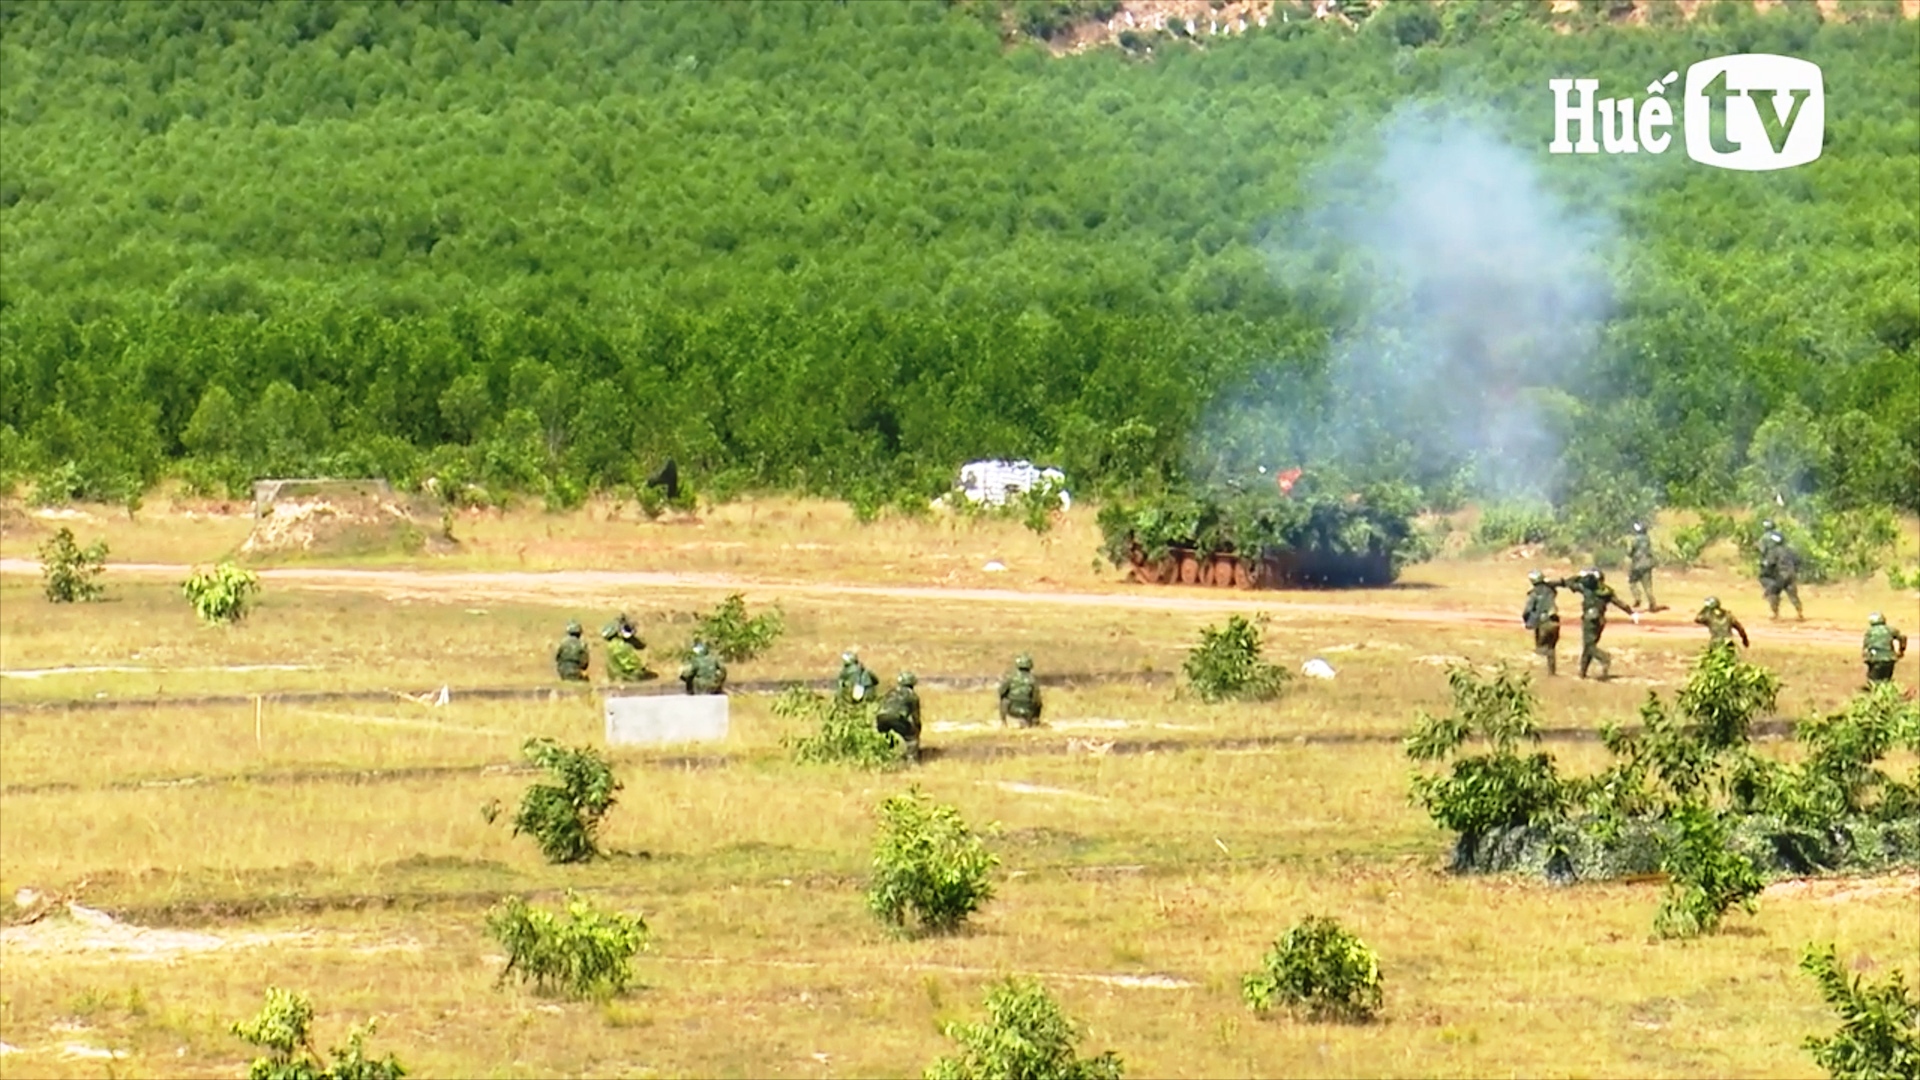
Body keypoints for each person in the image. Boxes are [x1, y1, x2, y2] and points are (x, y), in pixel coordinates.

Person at [1557, 568, 1635, 680]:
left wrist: (1579, 576)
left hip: (1589, 620)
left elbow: (1569, 583)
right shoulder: (1607, 591)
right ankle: (1582, 673)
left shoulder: (1586, 589)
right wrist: (1631, 612)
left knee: (1589, 646)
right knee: (1589, 646)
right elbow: (1619, 603)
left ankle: (1604, 658)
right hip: (1600, 621)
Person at [1521, 570, 1563, 676]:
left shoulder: (1534, 593)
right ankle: (1551, 672)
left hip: (1543, 623)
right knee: (1551, 647)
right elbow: (1559, 584)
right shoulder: (1551, 591)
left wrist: (1527, 621)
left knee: (1540, 649)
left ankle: (1542, 672)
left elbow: (1527, 610)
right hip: (1555, 622)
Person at [875, 671, 923, 762]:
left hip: (881, 717)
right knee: (911, 738)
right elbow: (915, 716)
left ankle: (885, 757)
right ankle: (912, 761)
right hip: (897, 718)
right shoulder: (912, 696)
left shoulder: (891, 691)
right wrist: (917, 729)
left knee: (885, 736)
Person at [1758, 531, 1803, 620]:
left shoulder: (1774, 551)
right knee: (1793, 594)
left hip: (1780, 576)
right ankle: (1799, 612)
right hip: (1791, 574)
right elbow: (1798, 561)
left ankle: (1775, 613)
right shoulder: (1790, 550)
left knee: (1773, 593)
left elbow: (1770, 564)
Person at [601, 613, 652, 683]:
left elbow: (641, 645)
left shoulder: (613, 645)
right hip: (627, 679)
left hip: (617, 678)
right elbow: (633, 667)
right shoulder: (619, 646)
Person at [998, 653, 1043, 727]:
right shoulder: (1033, 680)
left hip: (1012, 709)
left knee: (1004, 700)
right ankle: (1034, 721)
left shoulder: (1011, 678)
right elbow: (1036, 699)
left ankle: (1004, 722)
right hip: (1028, 711)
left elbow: (1001, 692)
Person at [1862, 612, 1908, 685]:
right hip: (1889, 658)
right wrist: (1901, 650)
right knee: (1886, 679)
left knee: (1873, 680)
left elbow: (1866, 647)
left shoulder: (1869, 632)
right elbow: (1903, 638)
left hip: (1875, 658)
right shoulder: (1890, 630)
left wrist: (1867, 660)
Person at [1627, 521, 1660, 611]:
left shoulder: (1634, 539)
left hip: (1637, 565)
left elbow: (1630, 552)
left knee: (1632, 582)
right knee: (1648, 586)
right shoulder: (1647, 539)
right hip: (1647, 565)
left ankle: (1637, 598)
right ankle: (1652, 604)